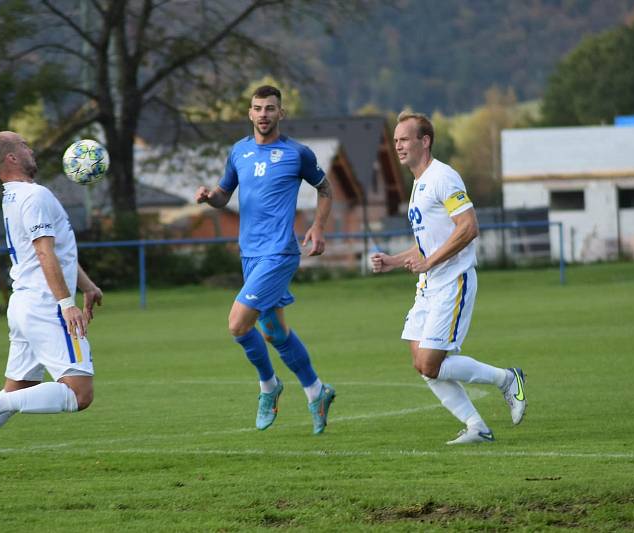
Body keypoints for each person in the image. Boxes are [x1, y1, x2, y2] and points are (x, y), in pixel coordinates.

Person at [0, 131, 103, 476]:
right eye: (24, 145)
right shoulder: (35, 195)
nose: (31, 148)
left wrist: (86, 284)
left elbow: (55, 252)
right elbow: (44, 252)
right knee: (79, 394)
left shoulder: (14, 196)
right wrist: (66, 302)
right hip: (46, 305)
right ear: (11, 157)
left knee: (19, 389)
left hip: (24, 304)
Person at [371, 113, 527, 445]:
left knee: (431, 362)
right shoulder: (418, 183)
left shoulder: (443, 177)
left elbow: (468, 227)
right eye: (395, 140)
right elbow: (429, 241)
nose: (397, 145)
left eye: (404, 139)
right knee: (422, 363)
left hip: (453, 281)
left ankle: (507, 379)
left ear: (424, 141)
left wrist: (430, 262)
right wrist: (394, 261)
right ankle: (477, 428)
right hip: (429, 286)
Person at [195, 85, 336, 434]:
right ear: (249, 113)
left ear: (281, 114)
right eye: (257, 108)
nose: (263, 114)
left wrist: (318, 227)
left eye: (270, 108)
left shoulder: (296, 153)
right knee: (273, 332)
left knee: (237, 324)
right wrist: (210, 196)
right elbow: (224, 195)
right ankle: (317, 391)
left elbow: (326, 189)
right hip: (250, 254)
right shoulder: (238, 152)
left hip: (279, 252)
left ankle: (269, 387)